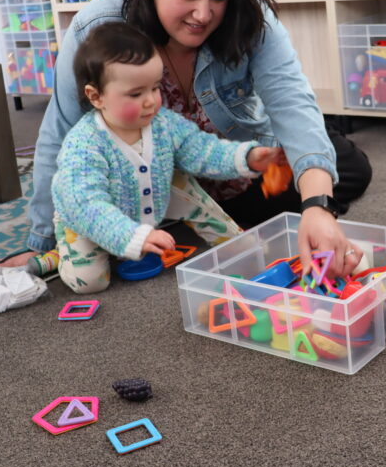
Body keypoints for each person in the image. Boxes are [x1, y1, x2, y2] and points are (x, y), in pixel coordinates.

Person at [25, 0, 371, 277]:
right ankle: (167, 230)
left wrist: (318, 206)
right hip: (152, 186)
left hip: (235, 165)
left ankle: (244, 221)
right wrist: (43, 241)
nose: (203, 14)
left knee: (343, 166)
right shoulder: (96, 29)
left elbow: (293, 104)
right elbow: (59, 136)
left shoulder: (249, 17)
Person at [52, 22, 281, 293]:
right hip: (88, 215)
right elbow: (87, 204)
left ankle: (234, 241)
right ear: (96, 96)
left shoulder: (163, 123)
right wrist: (134, 236)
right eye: (136, 94)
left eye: (155, 87)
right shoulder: (84, 145)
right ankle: (60, 254)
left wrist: (246, 157)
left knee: (188, 187)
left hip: (156, 188)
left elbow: (202, 149)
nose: (150, 101)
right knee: (89, 283)